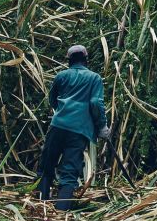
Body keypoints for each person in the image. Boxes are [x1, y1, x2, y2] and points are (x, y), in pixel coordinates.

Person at [37, 44, 110, 209]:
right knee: (69, 171)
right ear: (86, 60)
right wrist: (102, 127)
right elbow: (95, 103)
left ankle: (41, 206)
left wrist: (62, 111)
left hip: (58, 126)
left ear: (69, 61)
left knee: (47, 164)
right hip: (79, 131)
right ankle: (61, 212)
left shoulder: (61, 76)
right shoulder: (94, 78)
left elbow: (52, 100)